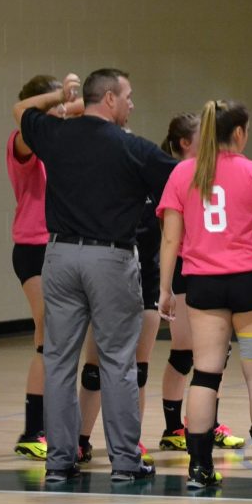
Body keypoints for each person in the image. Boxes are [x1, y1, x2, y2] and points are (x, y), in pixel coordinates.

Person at [13, 68, 176, 484]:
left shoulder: (55, 135)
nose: (132, 104)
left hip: (60, 256)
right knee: (118, 361)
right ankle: (125, 461)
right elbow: (181, 180)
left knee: (59, 361)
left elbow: (19, 110)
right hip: (111, 259)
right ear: (108, 99)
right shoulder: (132, 148)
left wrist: (61, 102)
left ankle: (59, 460)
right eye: (128, 96)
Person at [157, 100, 252, 489]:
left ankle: (200, 468)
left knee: (205, 374)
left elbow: (171, 237)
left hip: (203, 284)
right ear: (239, 133)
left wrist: (165, 289)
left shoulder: (183, 172)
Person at [157, 114, 246, 453]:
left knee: (213, 352)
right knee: (185, 353)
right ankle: (173, 427)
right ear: (185, 142)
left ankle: (206, 423)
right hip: (183, 266)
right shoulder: (175, 173)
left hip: (206, 268)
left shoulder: (208, 172)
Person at [8, 75, 82, 461]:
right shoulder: (23, 142)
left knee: (57, 338)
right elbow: (25, 123)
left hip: (59, 246)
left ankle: (52, 427)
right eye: (51, 110)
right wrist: (59, 96)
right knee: (47, 334)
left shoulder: (61, 142)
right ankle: (32, 429)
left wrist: (71, 99)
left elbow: (92, 109)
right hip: (32, 248)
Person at [75, 193, 161, 467]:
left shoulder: (159, 182)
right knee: (94, 371)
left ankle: (130, 442)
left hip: (147, 283)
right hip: (108, 283)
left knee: (139, 370)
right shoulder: (104, 181)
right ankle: (80, 440)